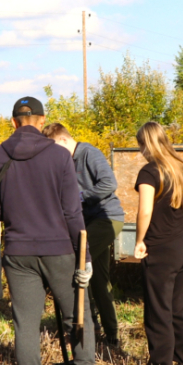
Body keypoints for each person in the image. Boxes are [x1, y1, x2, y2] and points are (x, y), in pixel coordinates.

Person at [0, 96, 97, 365]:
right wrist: (84, 258)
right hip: (59, 249)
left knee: (26, 323)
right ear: (42, 121)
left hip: (18, 251)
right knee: (77, 314)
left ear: (13, 122)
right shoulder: (60, 156)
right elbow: (73, 212)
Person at [44, 122, 126, 349]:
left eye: (53, 147)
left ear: (62, 140)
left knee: (75, 260)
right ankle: (110, 335)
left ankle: (85, 327)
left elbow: (110, 184)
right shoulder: (65, 160)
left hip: (107, 219)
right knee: (98, 281)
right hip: (87, 222)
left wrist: (80, 197)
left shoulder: (89, 152)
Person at [131, 121, 183, 365]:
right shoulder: (182, 169)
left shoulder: (149, 172)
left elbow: (145, 211)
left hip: (161, 249)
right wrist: (177, 231)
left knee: (158, 309)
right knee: (180, 307)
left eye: (141, 145)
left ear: (145, 144)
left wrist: (141, 240)